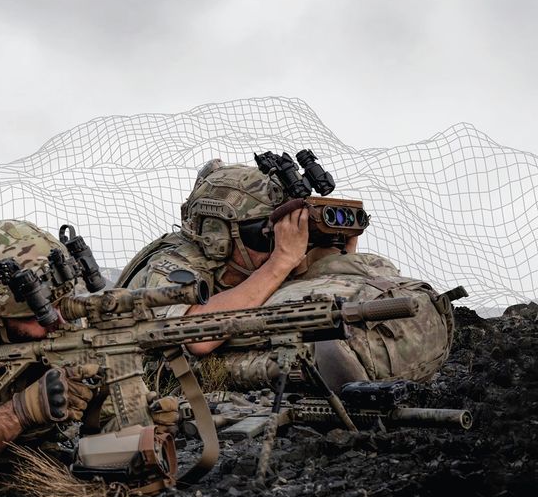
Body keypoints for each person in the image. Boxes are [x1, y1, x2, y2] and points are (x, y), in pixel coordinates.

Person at [0, 214, 177, 487]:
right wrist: (21, 412)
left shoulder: (62, 321)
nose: (59, 321)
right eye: (39, 314)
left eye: (62, 305)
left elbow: (106, 420)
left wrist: (136, 424)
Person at [117, 159, 455, 390]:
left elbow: (315, 289)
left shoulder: (249, 264)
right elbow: (197, 338)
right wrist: (280, 262)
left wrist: (336, 256)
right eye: (266, 235)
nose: (277, 244)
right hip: (149, 374)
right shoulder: (173, 263)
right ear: (218, 233)